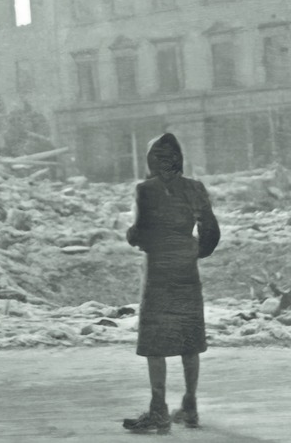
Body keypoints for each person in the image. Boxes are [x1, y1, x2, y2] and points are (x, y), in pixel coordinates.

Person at [123, 132, 220, 434]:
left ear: (152, 161)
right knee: (189, 340)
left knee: (156, 344)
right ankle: (189, 406)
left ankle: (158, 411)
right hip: (186, 273)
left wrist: (132, 237)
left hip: (159, 275)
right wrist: (192, 251)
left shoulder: (146, 190)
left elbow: (141, 232)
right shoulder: (195, 188)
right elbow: (211, 232)